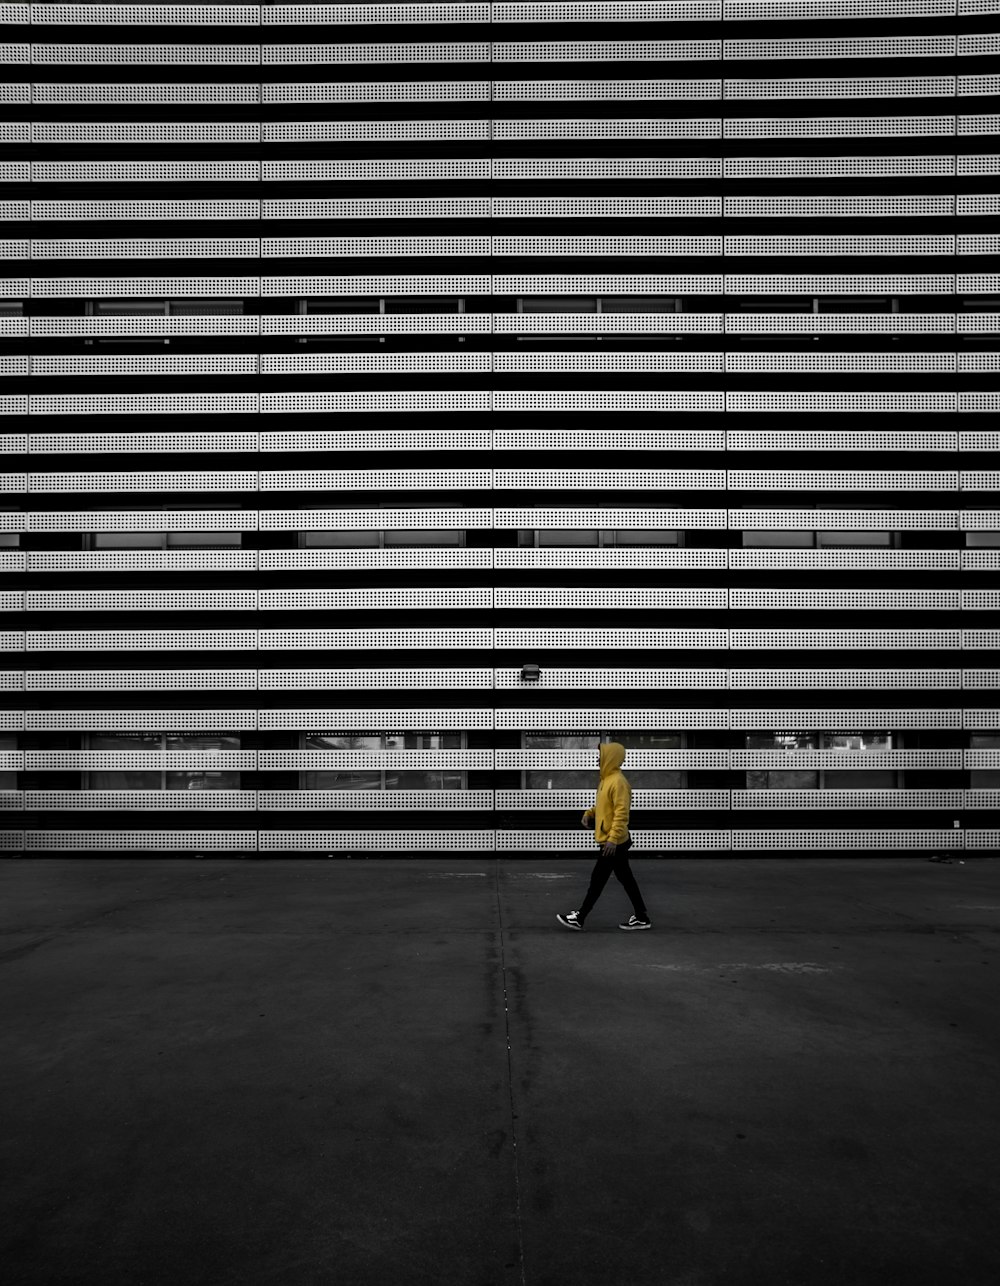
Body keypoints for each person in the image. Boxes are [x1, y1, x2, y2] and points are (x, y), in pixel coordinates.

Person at [557, 742, 652, 931]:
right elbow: (604, 807)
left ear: (611, 758)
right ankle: (641, 916)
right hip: (613, 841)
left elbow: (621, 813)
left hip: (614, 843)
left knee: (598, 879)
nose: (597, 758)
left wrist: (613, 839)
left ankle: (580, 917)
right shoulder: (606, 780)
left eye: (601, 755)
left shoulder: (618, 782)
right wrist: (589, 813)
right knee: (626, 879)